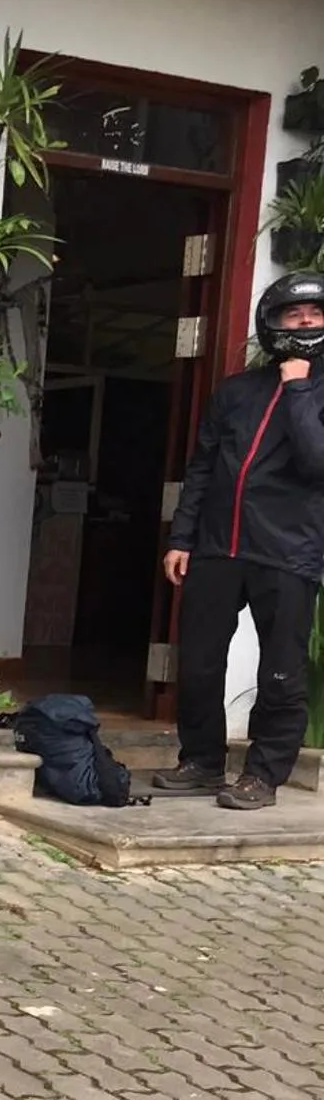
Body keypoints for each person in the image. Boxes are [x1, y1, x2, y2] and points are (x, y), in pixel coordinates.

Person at [154, 270, 324, 811]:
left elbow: (316, 461)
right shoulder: (236, 391)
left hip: (289, 553)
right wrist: (182, 537)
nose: (305, 323)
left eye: (315, 314)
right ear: (272, 322)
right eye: (293, 314)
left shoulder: (316, 390)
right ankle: (202, 761)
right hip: (215, 547)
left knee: (280, 672)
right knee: (199, 663)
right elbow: (202, 468)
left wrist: (298, 387)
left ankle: (262, 776)